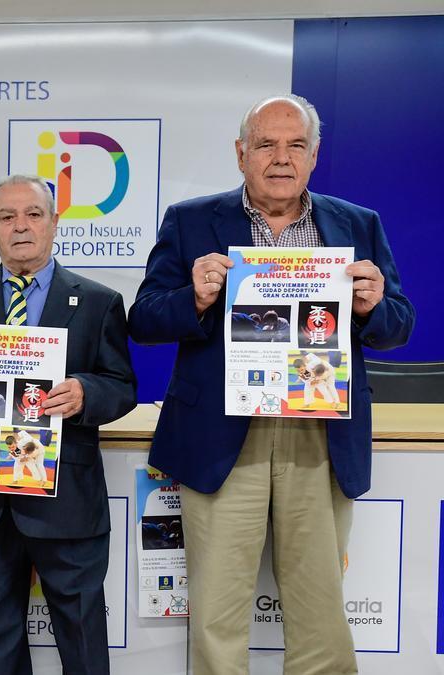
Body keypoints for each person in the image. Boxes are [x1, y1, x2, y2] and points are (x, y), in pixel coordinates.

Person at [128, 94, 414, 675]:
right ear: (241, 154)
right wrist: (197, 297)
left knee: (319, 611)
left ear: (314, 156)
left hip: (320, 435)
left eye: (295, 146)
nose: (281, 158)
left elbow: (398, 326)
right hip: (221, 438)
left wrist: (372, 307)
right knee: (216, 612)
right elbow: (145, 318)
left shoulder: (358, 224)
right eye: (266, 144)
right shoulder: (189, 220)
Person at [0, 175, 136, 675]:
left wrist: (85, 393)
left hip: (67, 498)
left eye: (34, 214)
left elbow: (122, 386)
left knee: (81, 634)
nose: (21, 227)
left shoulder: (99, 301)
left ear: (55, 223)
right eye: (8, 217)